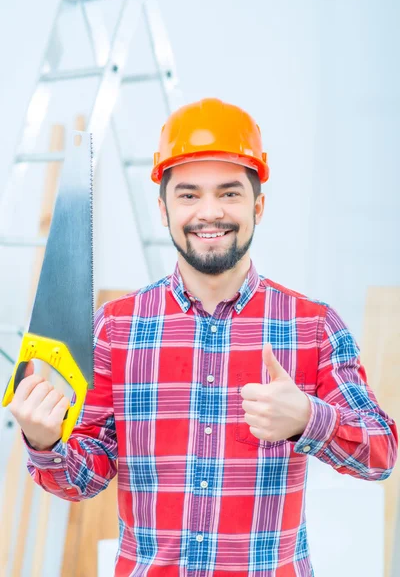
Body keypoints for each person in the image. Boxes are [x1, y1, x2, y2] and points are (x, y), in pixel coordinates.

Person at [9, 98, 398, 576]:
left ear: (258, 204)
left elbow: (381, 456)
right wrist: (45, 442)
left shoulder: (312, 326)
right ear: (163, 208)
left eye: (229, 193)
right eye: (189, 194)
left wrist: (308, 418)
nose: (209, 212)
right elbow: (81, 480)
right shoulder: (116, 328)